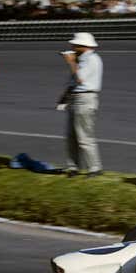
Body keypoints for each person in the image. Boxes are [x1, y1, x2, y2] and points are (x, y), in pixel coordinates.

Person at [60, 32, 103, 178]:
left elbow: (80, 79)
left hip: (85, 99)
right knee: (71, 135)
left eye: (75, 44)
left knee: (84, 136)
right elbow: (73, 82)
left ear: (83, 46)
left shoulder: (91, 59)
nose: (72, 46)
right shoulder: (82, 59)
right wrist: (64, 97)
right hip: (76, 98)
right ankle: (73, 167)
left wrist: (71, 62)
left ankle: (94, 168)